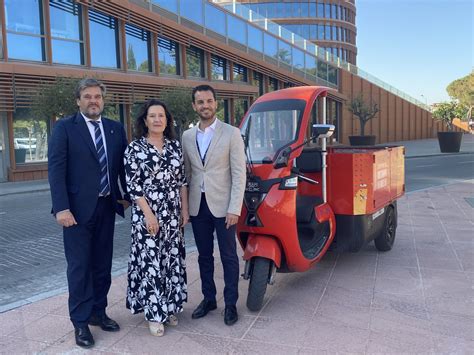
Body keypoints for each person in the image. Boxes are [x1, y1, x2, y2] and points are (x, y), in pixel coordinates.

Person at [48, 78, 129, 349]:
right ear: (78, 100)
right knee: (80, 268)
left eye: (97, 96)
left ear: (103, 100)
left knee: (102, 265)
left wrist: (126, 196)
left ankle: (98, 311)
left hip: (107, 207)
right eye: (87, 96)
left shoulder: (115, 129)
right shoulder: (64, 129)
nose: (93, 100)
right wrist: (61, 207)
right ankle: (80, 322)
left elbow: (122, 168)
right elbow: (56, 170)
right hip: (75, 213)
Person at [182, 84, 246, 326]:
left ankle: (230, 303)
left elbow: (239, 174)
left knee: (229, 256)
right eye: (200, 102)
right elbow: (187, 174)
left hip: (224, 207)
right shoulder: (187, 136)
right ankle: (209, 299)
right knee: (204, 256)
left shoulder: (232, 133)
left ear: (215, 103)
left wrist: (234, 208)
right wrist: (185, 207)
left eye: (209, 101)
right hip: (199, 206)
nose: (205, 105)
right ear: (194, 106)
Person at [124, 99, 189, 337]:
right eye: (152, 116)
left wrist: (184, 210)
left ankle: (170, 307)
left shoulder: (174, 147)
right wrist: (149, 215)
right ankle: (154, 314)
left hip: (172, 215)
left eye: (161, 115)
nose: (157, 119)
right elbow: (133, 187)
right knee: (151, 263)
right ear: (145, 120)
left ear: (167, 120)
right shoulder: (135, 149)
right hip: (147, 216)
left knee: (171, 261)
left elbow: (182, 181)